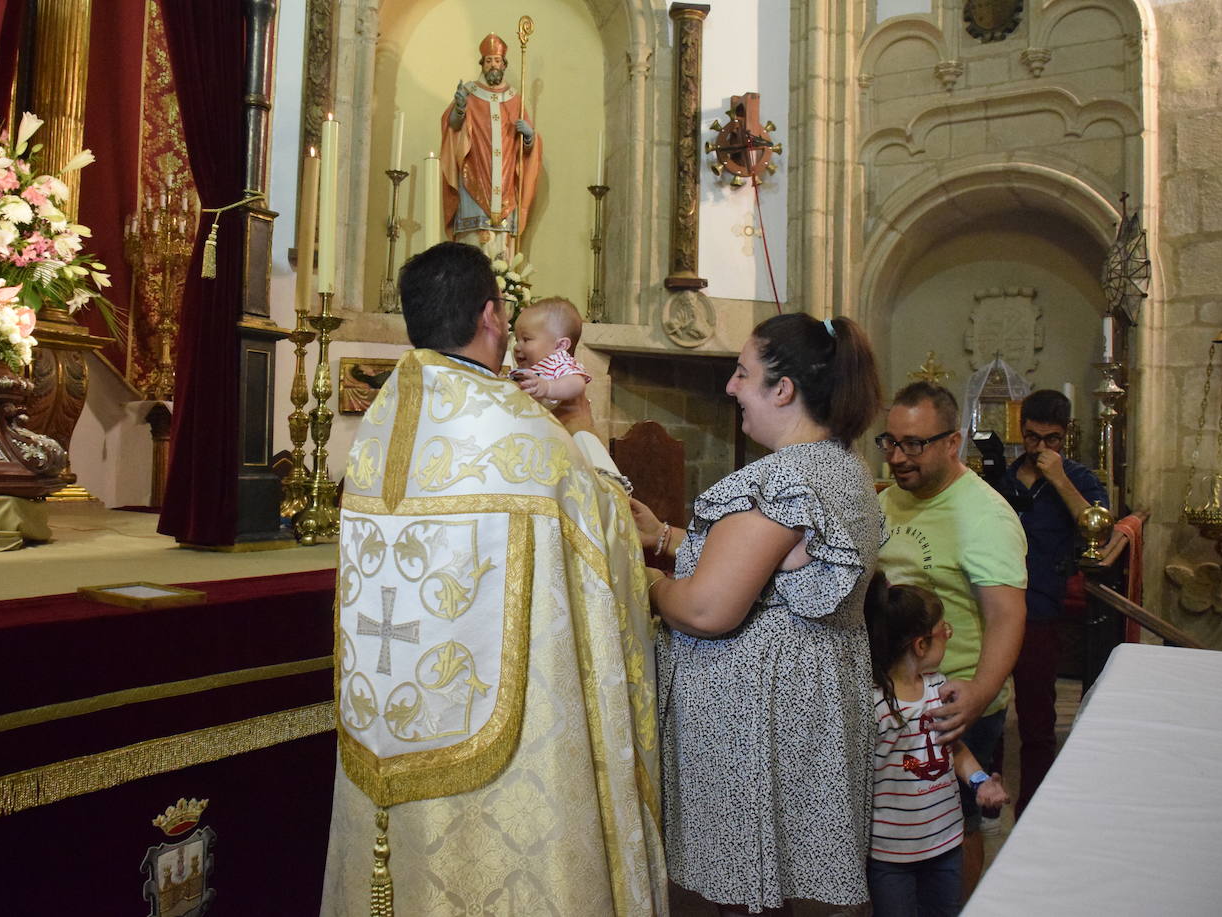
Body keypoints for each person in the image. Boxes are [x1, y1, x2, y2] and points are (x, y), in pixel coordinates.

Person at [319, 242, 666, 915]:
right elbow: (612, 535)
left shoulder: (380, 425)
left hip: (385, 717)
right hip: (508, 746)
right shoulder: (521, 431)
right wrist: (589, 438)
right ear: (490, 316)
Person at [632, 313, 885, 915]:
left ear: (784, 389)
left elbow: (707, 607)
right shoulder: (841, 466)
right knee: (796, 883)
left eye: (742, 374)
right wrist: (670, 537)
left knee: (747, 894)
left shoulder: (781, 479)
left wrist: (645, 582)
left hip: (756, 725)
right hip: (813, 708)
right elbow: (772, 569)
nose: (730, 387)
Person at [875, 381, 1027, 899]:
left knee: (954, 829)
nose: (898, 457)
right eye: (891, 442)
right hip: (890, 698)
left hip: (956, 704)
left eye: (913, 444)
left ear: (952, 442)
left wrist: (980, 694)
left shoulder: (984, 516)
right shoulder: (889, 497)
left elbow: (1007, 616)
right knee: (890, 823)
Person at [864, 571, 1011, 917]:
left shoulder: (940, 688)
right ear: (921, 645)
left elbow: (953, 749)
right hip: (890, 852)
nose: (950, 633)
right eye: (944, 630)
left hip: (945, 842)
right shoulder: (875, 707)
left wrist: (979, 782)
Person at [993, 389, 1107, 816]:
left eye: (1052, 439)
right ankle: (989, 800)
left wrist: (1059, 479)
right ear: (1021, 432)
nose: (1040, 448)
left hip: (1041, 606)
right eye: (1032, 437)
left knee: (1037, 715)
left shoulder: (1080, 477)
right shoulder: (1001, 479)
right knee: (990, 708)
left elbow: (1101, 531)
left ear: (1066, 436)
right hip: (995, 603)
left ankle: (1033, 809)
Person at [439, 33, 543, 257]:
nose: (493, 65)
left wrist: (529, 137)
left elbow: (528, 150)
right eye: (488, 61)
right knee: (473, 246)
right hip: (474, 176)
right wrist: (459, 108)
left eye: (497, 60)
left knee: (501, 254)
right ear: (482, 64)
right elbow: (452, 127)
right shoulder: (469, 92)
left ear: (504, 64)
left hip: (506, 183)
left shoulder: (516, 98)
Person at [511, 296, 594, 436]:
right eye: (516, 339)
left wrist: (548, 387)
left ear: (560, 346)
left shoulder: (558, 361)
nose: (517, 347)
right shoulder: (531, 368)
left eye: (526, 339)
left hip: (571, 434)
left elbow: (577, 383)